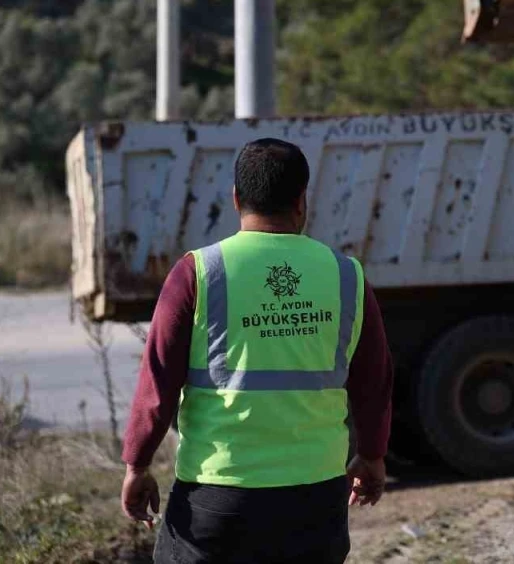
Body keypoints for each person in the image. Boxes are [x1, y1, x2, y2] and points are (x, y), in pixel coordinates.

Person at [120, 138, 394, 564]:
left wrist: (137, 465)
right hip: (315, 500)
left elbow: (157, 382)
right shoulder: (347, 276)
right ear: (302, 200)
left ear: (236, 199)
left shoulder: (198, 272)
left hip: (217, 499)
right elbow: (374, 382)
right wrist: (373, 455)